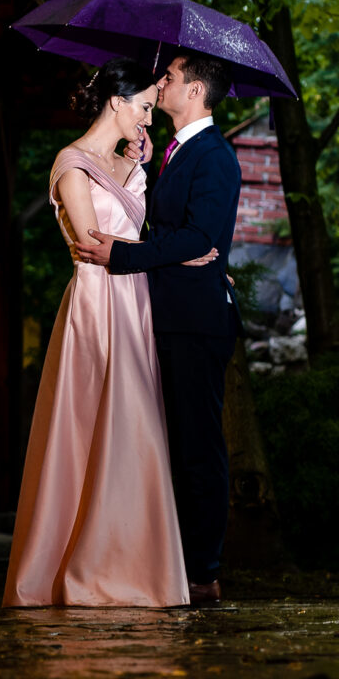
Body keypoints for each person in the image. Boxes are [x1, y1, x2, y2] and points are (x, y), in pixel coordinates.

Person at [3, 58, 216, 608]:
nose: (148, 118)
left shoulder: (129, 163)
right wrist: (176, 257)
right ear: (117, 102)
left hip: (136, 303)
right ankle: (86, 564)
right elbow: (92, 246)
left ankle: (135, 560)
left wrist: (138, 176)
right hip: (98, 302)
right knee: (97, 428)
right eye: (144, 107)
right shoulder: (70, 165)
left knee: (137, 432)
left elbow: (140, 237)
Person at [76, 51, 243, 605]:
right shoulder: (175, 151)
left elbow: (198, 238)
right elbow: (178, 231)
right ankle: (172, 561)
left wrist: (126, 255)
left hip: (196, 322)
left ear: (195, 92)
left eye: (169, 78)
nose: (160, 84)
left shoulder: (214, 155)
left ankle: (203, 571)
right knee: (171, 445)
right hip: (167, 314)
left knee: (198, 446)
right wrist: (144, 166)